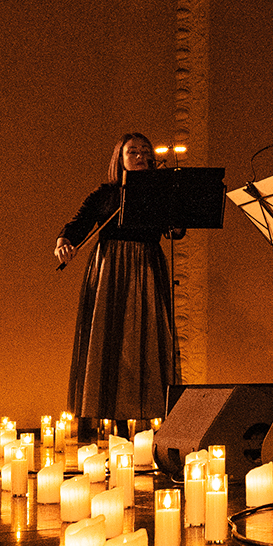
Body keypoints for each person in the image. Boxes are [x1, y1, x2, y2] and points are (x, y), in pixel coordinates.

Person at [55, 133, 183, 440]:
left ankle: (147, 419)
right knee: (108, 339)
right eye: (132, 152)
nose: (139, 156)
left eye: (144, 151)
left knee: (146, 337)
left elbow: (175, 230)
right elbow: (80, 222)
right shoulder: (107, 193)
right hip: (110, 268)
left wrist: (177, 219)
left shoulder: (161, 193)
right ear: (120, 159)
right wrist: (64, 240)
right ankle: (107, 419)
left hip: (147, 266)